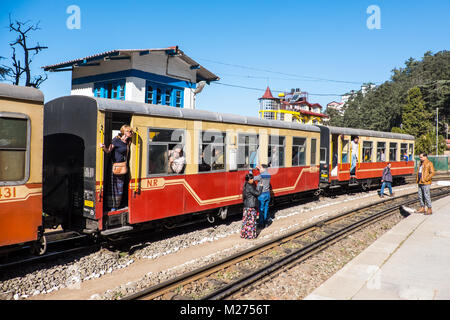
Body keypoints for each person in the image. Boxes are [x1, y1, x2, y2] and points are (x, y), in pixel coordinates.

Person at [100, 124, 133, 211]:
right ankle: (112, 207)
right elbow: (108, 151)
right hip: (114, 166)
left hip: (123, 166)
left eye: (131, 131)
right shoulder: (116, 140)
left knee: (120, 186)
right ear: (124, 132)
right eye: (129, 131)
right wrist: (103, 148)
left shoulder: (128, 142)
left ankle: (118, 204)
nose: (130, 133)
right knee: (113, 187)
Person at [241, 173, 262, 239]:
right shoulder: (250, 186)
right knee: (252, 221)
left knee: (246, 221)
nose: (253, 180)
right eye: (251, 179)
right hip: (251, 206)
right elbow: (257, 193)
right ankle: (251, 235)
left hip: (246, 206)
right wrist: (261, 187)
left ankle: (244, 234)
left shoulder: (245, 185)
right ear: (248, 179)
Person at [254, 164, 272, 228]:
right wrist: (259, 169)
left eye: (260, 168)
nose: (259, 169)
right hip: (267, 194)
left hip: (262, 194)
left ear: (264, 169)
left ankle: (261, 224)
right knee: (266, 209)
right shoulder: (268, 175)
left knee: (261, 209)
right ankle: (266, 222)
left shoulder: (261, 176)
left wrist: (251, 171)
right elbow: (262, 175)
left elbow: (253, 178)